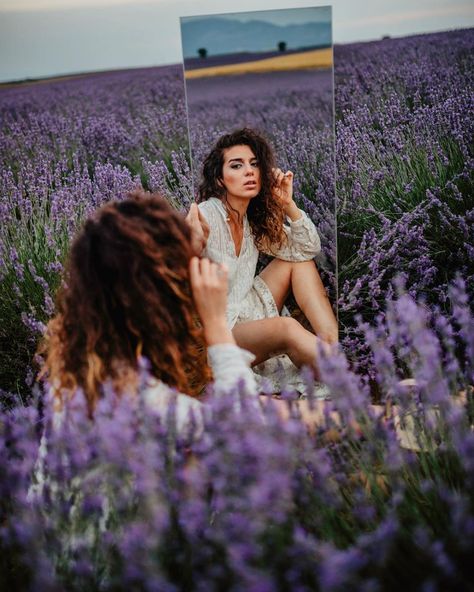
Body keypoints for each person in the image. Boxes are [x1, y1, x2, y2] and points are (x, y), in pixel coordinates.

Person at [40, 191, 257, 435]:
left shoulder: (82, 365)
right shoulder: (141, 399)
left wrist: (184, 250)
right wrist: (217, 323)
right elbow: (244, 427)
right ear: (153, 302)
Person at [188, 128, 338, 394]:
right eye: (237, 165)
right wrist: (192, 244)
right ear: (220, 179)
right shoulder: (206, 214)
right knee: (287, 327)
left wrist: (288, 205)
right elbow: (179, 259)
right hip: (221, 329)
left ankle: (330, 345)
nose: (249, 171)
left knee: (298, 262)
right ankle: (342, 374)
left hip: (250, 309)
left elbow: (307, 248)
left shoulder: (249, 221)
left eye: (254, 164)